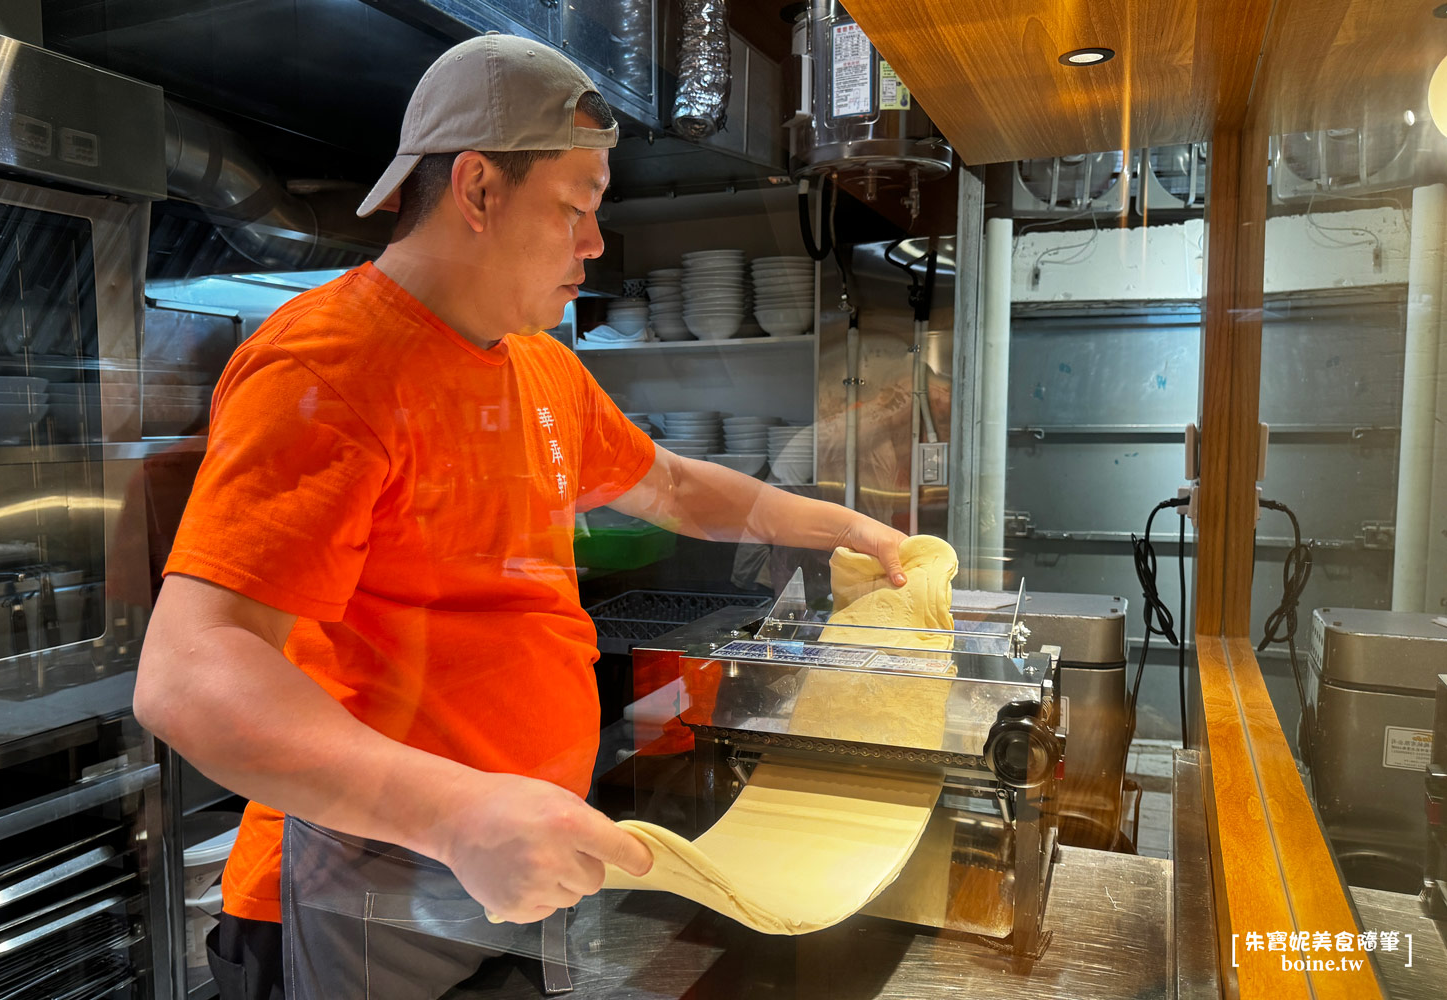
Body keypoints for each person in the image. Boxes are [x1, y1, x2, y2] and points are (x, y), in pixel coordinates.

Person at [134, 32, 908, 1000]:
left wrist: (847, 530)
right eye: (576, 208)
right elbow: (192, 671)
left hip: (505, 863)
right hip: (371, 880)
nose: (594, 241)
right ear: (478, 190)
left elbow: (667, 485)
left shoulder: (535, 360)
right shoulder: (330, 365)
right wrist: (458, 813)